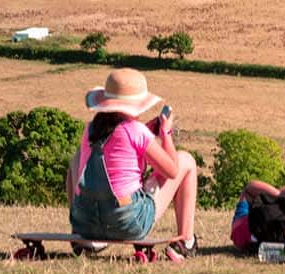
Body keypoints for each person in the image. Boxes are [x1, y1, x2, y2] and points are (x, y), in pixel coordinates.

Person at [67, 67, 198, 262]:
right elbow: (172, 170)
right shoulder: (136, 131)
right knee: (186, 160)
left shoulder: (91, 129)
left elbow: (116, 146)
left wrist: (145, 133)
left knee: (77, 158)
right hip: (127, 222)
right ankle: (185, 241)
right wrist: (165, 134)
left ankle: (85, 240)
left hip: (85, 222)